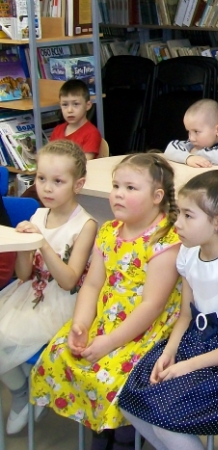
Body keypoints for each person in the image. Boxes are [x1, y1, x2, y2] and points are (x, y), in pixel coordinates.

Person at [118, 170, 218, 450]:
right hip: (195, 342)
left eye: (188, 216)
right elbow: (186, 315)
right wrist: (169, 353)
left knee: (164, 417)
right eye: (178, 213)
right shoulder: (189, 254)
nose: (177, 223)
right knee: (130, 400)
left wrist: (188, 366)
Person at [29, 153, 182, 449]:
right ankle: (100, 429)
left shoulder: (165, 241)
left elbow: (152, 306)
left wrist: (109, 342)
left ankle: (123, 436)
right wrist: (81, 324)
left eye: (130, 188)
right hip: (107, 319)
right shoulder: (109, 231)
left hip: (147, 331)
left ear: (157, 197)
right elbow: (92, 285)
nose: (118, 194)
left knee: (112, 376)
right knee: (62, 353)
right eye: (116, 186)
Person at [0, 141, 96, 434]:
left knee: (5, 336)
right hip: (31, 293)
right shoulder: (38, 215)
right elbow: (24, 274)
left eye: (58, 181)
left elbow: (68, 281)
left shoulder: (86, 225)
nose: (47, 188)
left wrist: (41, 242)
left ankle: (29, 387)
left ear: (78, 184)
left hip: (61, 303)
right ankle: (23, 390)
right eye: (41, 178)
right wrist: (25, 246)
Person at [164, 99, 218, 167]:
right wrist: (188, 158)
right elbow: (169, 149)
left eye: (196, 131)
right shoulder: (196, 143)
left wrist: (193, 153)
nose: (191, 138)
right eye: (189, 132)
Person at [51, 79, 102, 160]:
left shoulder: (92, 133)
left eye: (76, 104)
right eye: (65, 105)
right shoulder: (57, 130)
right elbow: (50, 156)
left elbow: (85, 162)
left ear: (88, 105)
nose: (70, 110)